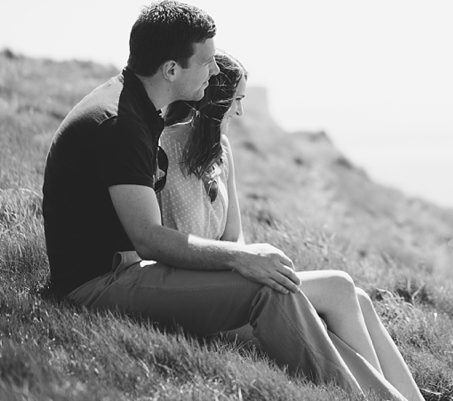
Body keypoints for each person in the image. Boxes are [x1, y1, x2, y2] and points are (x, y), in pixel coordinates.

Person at [41, 0, 406, 399]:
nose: (216, 72)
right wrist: (240, 258)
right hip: (99, 285)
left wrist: (244, 260)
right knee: (266, 288)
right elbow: (147, 236)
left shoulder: (135, 108)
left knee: (279, 286)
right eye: (207, 61)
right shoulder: (120, 123)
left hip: (125, 271)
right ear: (171, 69)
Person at [158, 52, 425, 401]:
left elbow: (234, 237)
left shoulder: (220, 150)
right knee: (340, 287)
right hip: (195, 295)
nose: (239, 111)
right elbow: (156, 241)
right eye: (236, 100)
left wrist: (251, 267)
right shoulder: (162, 149)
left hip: (229, 280)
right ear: (215, 98)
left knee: (357, 297)